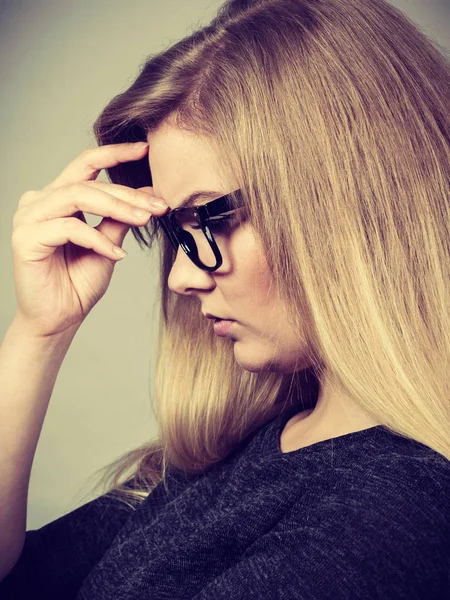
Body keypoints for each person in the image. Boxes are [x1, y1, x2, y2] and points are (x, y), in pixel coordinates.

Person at [0, 0, 449, 597]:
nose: (181, 278)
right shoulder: (255, 443)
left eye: (211, 218)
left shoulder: (388, 513)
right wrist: (41, 330)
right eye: (176, 233)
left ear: (351, 199)